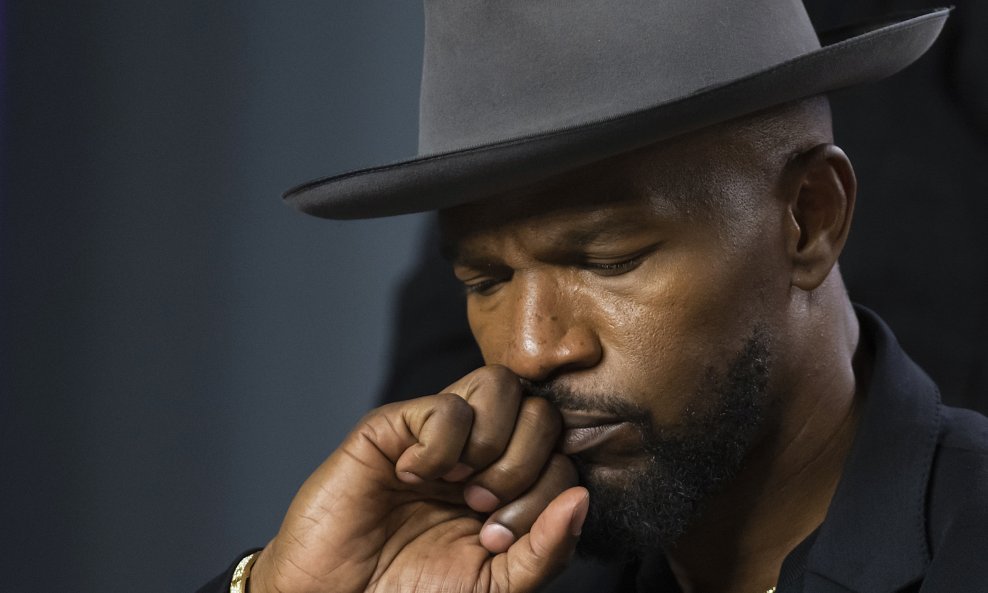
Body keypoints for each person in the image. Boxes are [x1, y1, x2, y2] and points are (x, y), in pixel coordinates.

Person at [199, 2, 987, 592]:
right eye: (486, 280)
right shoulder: (491, 572)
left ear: (810, 219)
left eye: (609, 260)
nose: (530, 349)